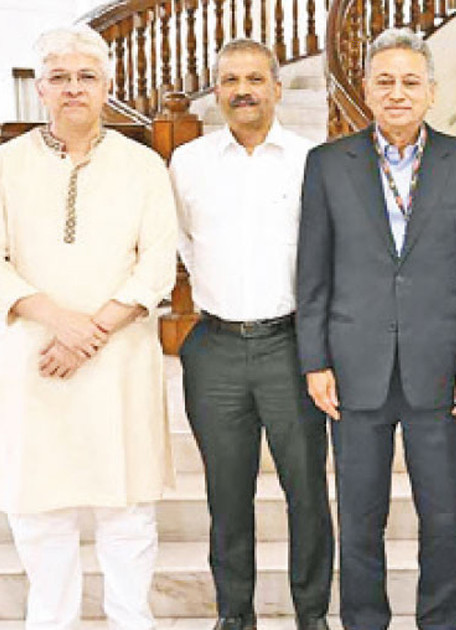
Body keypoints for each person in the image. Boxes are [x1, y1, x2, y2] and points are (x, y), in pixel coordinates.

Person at [295, 27, 456, 630]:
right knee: (360, 519)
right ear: (365, 90)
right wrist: (315, 360)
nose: (397, 92)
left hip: (441, 368)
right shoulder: (327, 164)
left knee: (444, 517)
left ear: (431, 91)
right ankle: (364, 621)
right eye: (384, 81)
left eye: (411, 81)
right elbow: (312, 273)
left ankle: (441, 621)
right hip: (353, 368)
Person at [0, 25, 178, 630]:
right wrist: (60, 323)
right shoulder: (6, 165)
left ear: (107, 86)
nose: (73, 87)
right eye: (59, 77)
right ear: (40, 90)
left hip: (118, 360)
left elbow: (157, 264)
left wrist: (90, 334)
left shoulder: (144, 165)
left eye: (85, 76)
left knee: (127, 510)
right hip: (35, 357)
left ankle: (132, 621)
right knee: (39, 510)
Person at [170, 38, 333, 630]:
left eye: (255, 79)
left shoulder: (312, 160)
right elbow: (183, 243)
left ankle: (312, 615)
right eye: (231, 80)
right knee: (226, 495)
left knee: (307, 494)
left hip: (290, 347)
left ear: (277, 88)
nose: (243, 90)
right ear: (216, 91)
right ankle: (234, 615)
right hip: (214, 348)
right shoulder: (187, 163)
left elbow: (329, 256)